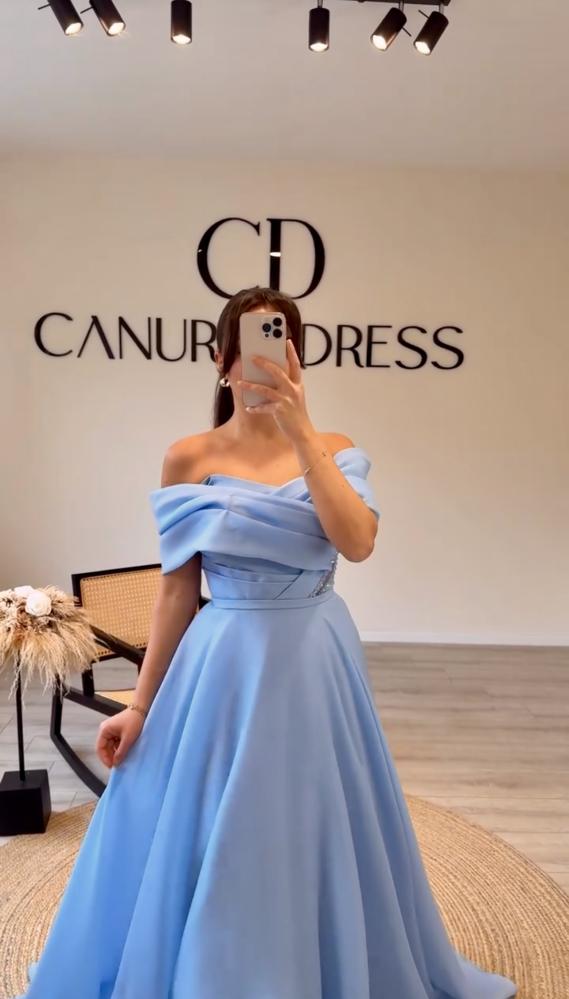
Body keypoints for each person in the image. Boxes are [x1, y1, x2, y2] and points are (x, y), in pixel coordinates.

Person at [13, 286, 517, 998]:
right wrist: (142, 707)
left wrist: (301, 430)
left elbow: (357, 542)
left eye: (281, 347)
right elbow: (176, 592)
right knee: (216, 824)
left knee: (317, 810)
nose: (263, 363)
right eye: (249, 348)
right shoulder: (188, 457)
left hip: (316, 655)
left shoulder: (336, 450)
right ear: (222, 361)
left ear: (297, 359)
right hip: (225, 659)